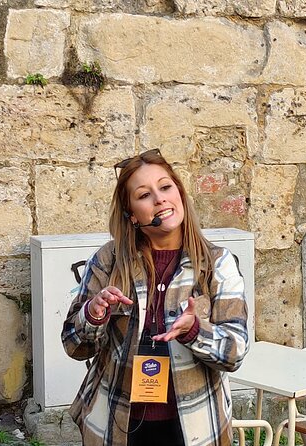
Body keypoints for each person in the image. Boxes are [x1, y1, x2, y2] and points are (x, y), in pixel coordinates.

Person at [61, 149, 249, 446]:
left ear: (180, 194)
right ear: (132, 214)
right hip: (116, 423)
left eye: (165, 187)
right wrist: (93, 314)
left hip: (196, 426)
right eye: (144, 195)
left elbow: (235, 352)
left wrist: (195, 331)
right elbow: (74, 345)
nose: (159, 199)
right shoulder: (109, 260)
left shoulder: (217, 263)